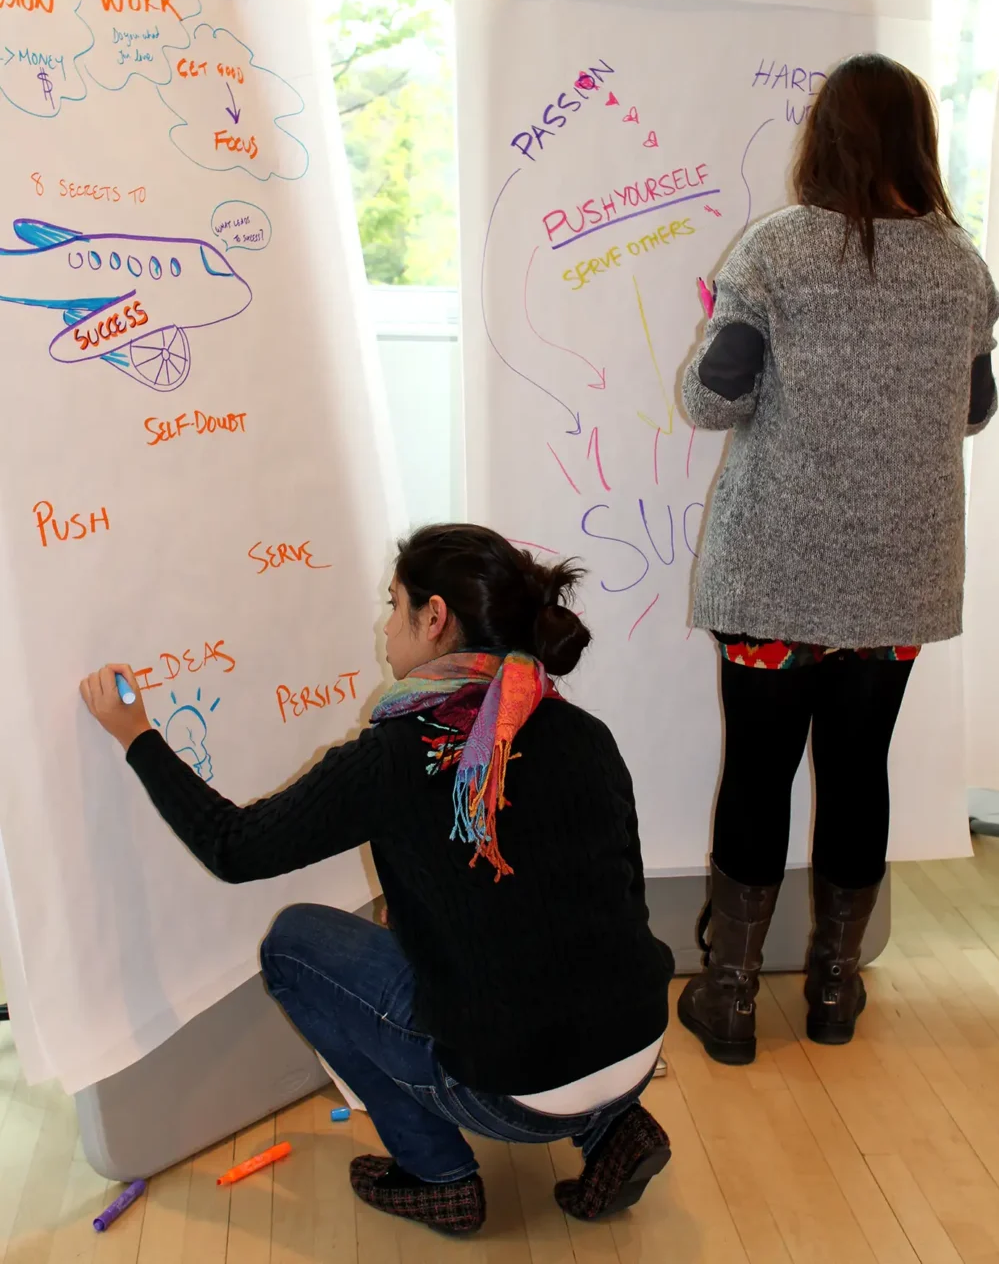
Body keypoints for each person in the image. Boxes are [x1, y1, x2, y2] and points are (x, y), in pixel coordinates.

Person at [80, 524, 675, 1237]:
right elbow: (616, 898)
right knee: (537, 956)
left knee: (294, 943)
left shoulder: (399, 754)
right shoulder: (581, 731)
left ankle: (436, 1175)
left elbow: (232, 846)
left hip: (510, 1090)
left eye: (393, 606)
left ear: (435, 618)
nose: (383, 628)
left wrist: (136, 735)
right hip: (640, 1042)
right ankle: (613, 1126)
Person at [675, 53, 999, 1067]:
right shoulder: (962, 266)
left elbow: (711, 399)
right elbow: (976, 408)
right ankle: (832, 989)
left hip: (773, 574)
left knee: (759, 773)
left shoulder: (775, 251)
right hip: (894, 580)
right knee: (860, 771)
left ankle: (730, 997)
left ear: (824, 137)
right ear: (919, 140)